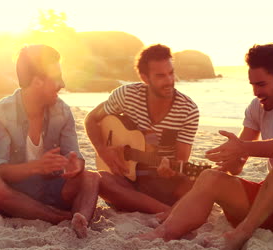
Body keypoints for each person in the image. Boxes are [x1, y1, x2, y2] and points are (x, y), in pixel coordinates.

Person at [139, 43, 273, 250]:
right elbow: (237, 165)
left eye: (261, 84)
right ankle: (164, 233)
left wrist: (244, 148)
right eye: (252, 85)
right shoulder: (258, 108)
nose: (256, 92)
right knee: (210, 177)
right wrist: (226, 161)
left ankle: (242, 232)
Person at [0, 44, 100, 238]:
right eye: (56, 78)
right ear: (37, 81)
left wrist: (75, 165)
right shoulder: (0, 112)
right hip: (16, 194)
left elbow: (75, 157)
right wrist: (37, 167)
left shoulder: (62, 111)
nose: (62, 84)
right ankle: (63, 217)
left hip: (53, 189)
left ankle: (81, 219)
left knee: (91, 178)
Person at [84, 44, 200, 215]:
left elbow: (181, 160)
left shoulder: (188, 110)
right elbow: (91, 119)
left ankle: (147, 205)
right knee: (99, 180)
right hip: (125, 177)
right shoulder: (126, 96)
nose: (168, 81)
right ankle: (164, 210)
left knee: (194, 181)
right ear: (145, 78)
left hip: (159, 182)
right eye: (160, 76)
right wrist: (103, 151)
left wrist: (170, 171)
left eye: (171, 73)